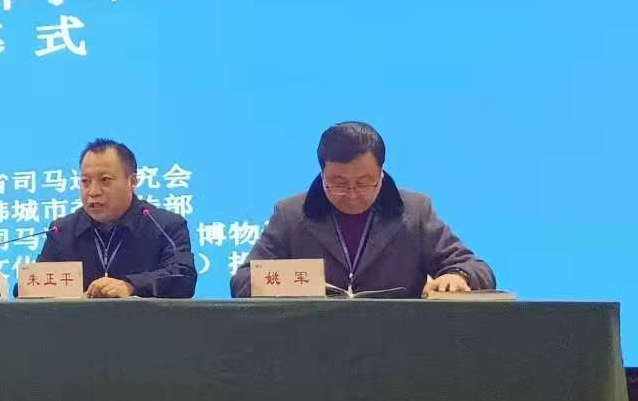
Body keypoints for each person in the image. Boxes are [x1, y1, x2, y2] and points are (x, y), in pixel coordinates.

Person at [231, 121, 495, 298]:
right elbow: (242, 281)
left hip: (398, 343)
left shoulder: (415, 211)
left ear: (381, 173)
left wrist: (458, 276)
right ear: (322, 174)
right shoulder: (290, 214)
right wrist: (301, 282)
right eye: (338, 183)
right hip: (313, 342)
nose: (352, 194)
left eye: (364, 182)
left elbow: (477, 268)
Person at [35, 139, 197, 299]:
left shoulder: (165, 226)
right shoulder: (61, 231)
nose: (93, 191)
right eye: (85, 181)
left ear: (132, 181)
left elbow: (184, 277)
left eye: (105, 180)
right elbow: (33, 287)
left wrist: (131, 286)